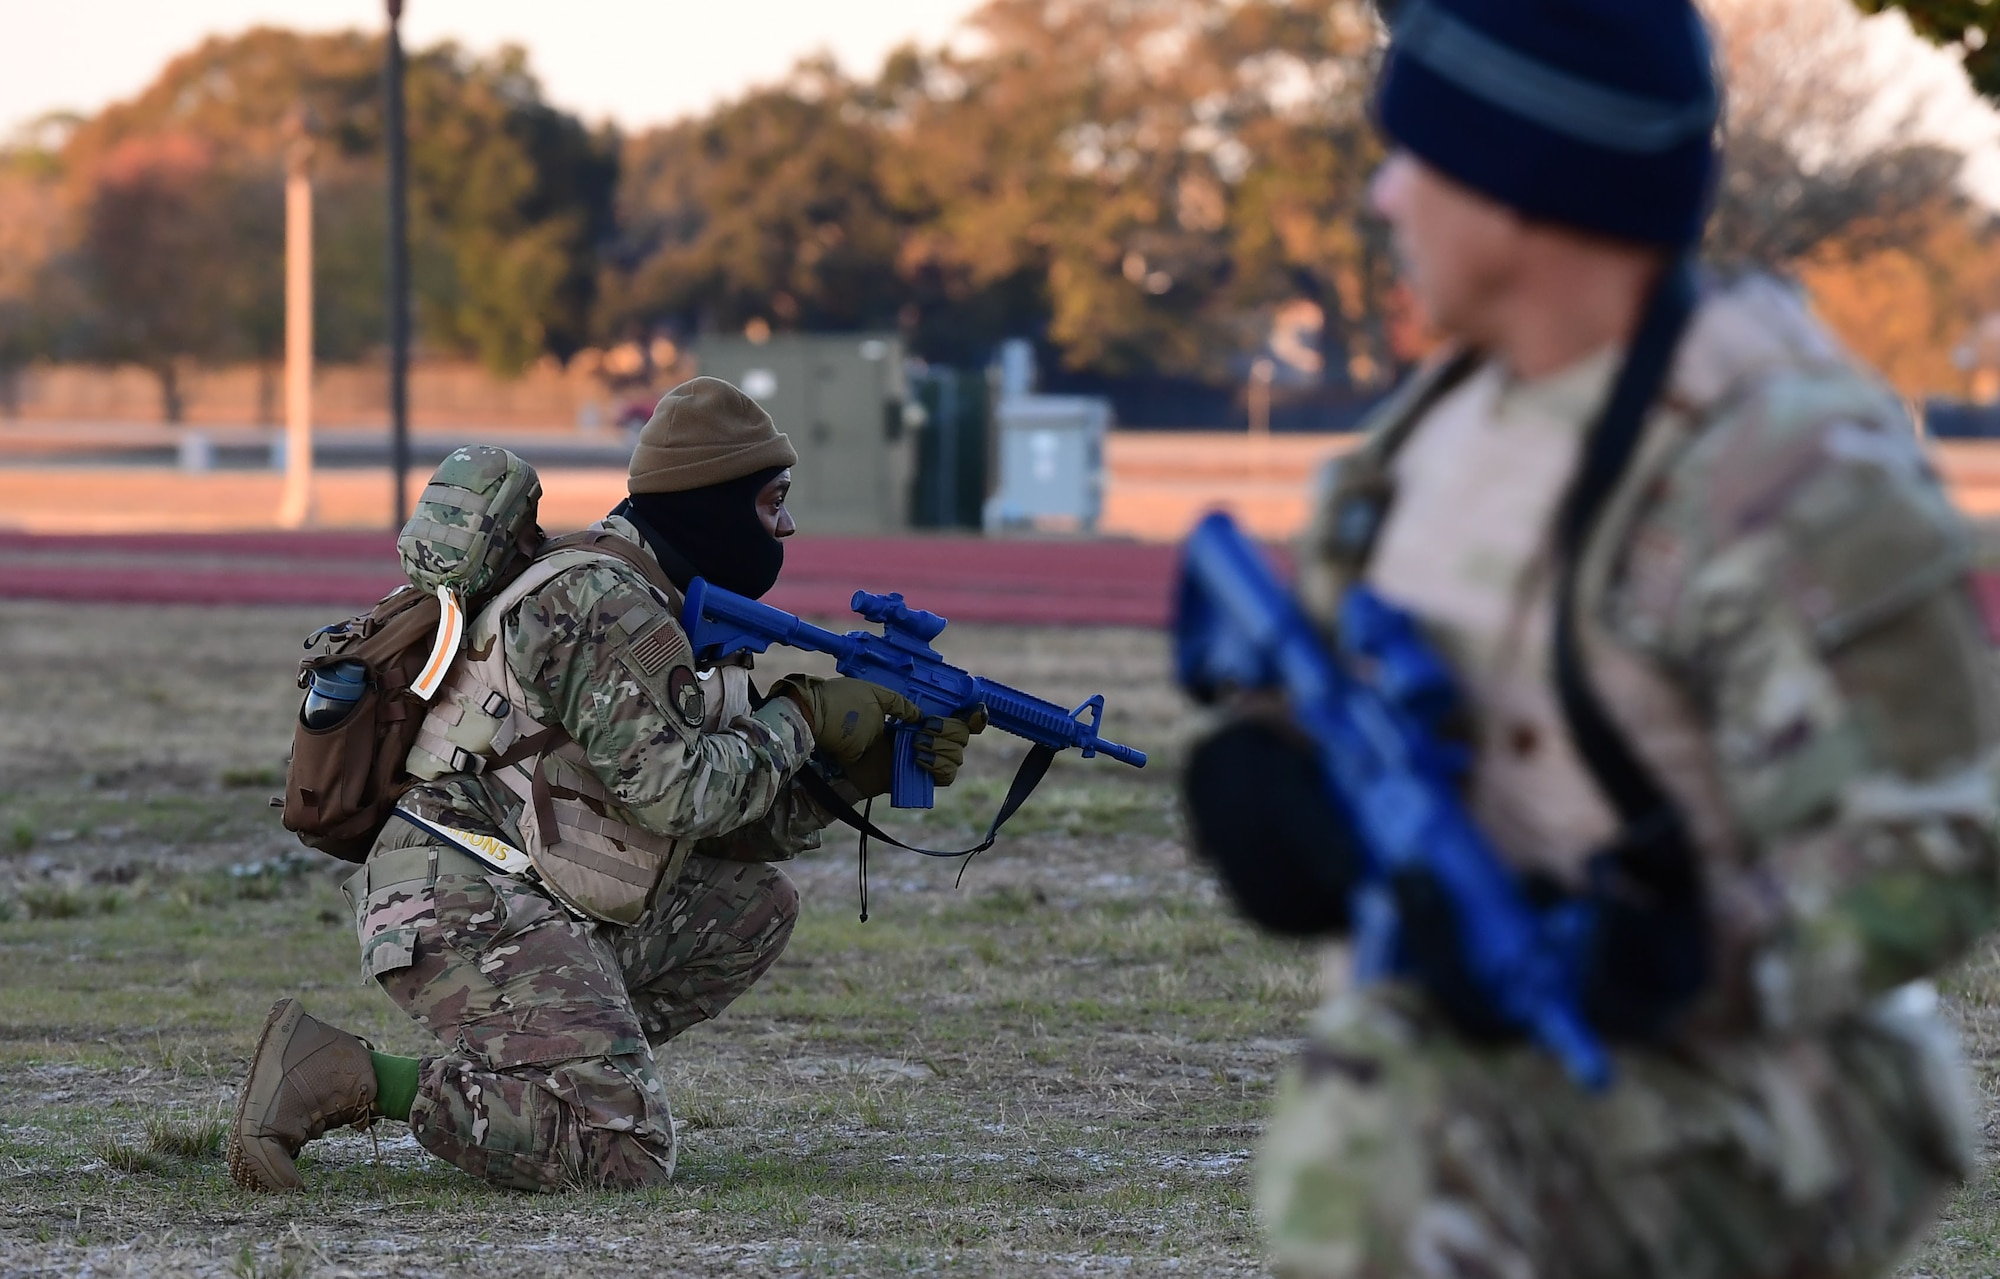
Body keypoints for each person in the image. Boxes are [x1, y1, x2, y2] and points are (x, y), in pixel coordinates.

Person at [1181, 2, 2000, 1276]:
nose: (1386, 198)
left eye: (1418, 160)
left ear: (1517, 191)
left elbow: (1937, 844)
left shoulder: (1774, 467)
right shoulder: (1427, 433)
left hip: (1752, 1104)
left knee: (1379, 1143)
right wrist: (1282, 791)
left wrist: (1661, 953)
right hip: (1483, 1066)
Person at [229, 376, 982, 1192]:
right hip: (454, 891)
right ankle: (350, 1073)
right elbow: (681, 794)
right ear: (711, 503)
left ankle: (558, 1068)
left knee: (752, 907)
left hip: (521, 884)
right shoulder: (603, 605)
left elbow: (713, 829)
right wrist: (802, 719)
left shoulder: (669, 612)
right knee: (622, 1152)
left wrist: (843, 776)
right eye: (773, 502)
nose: (788, 524)